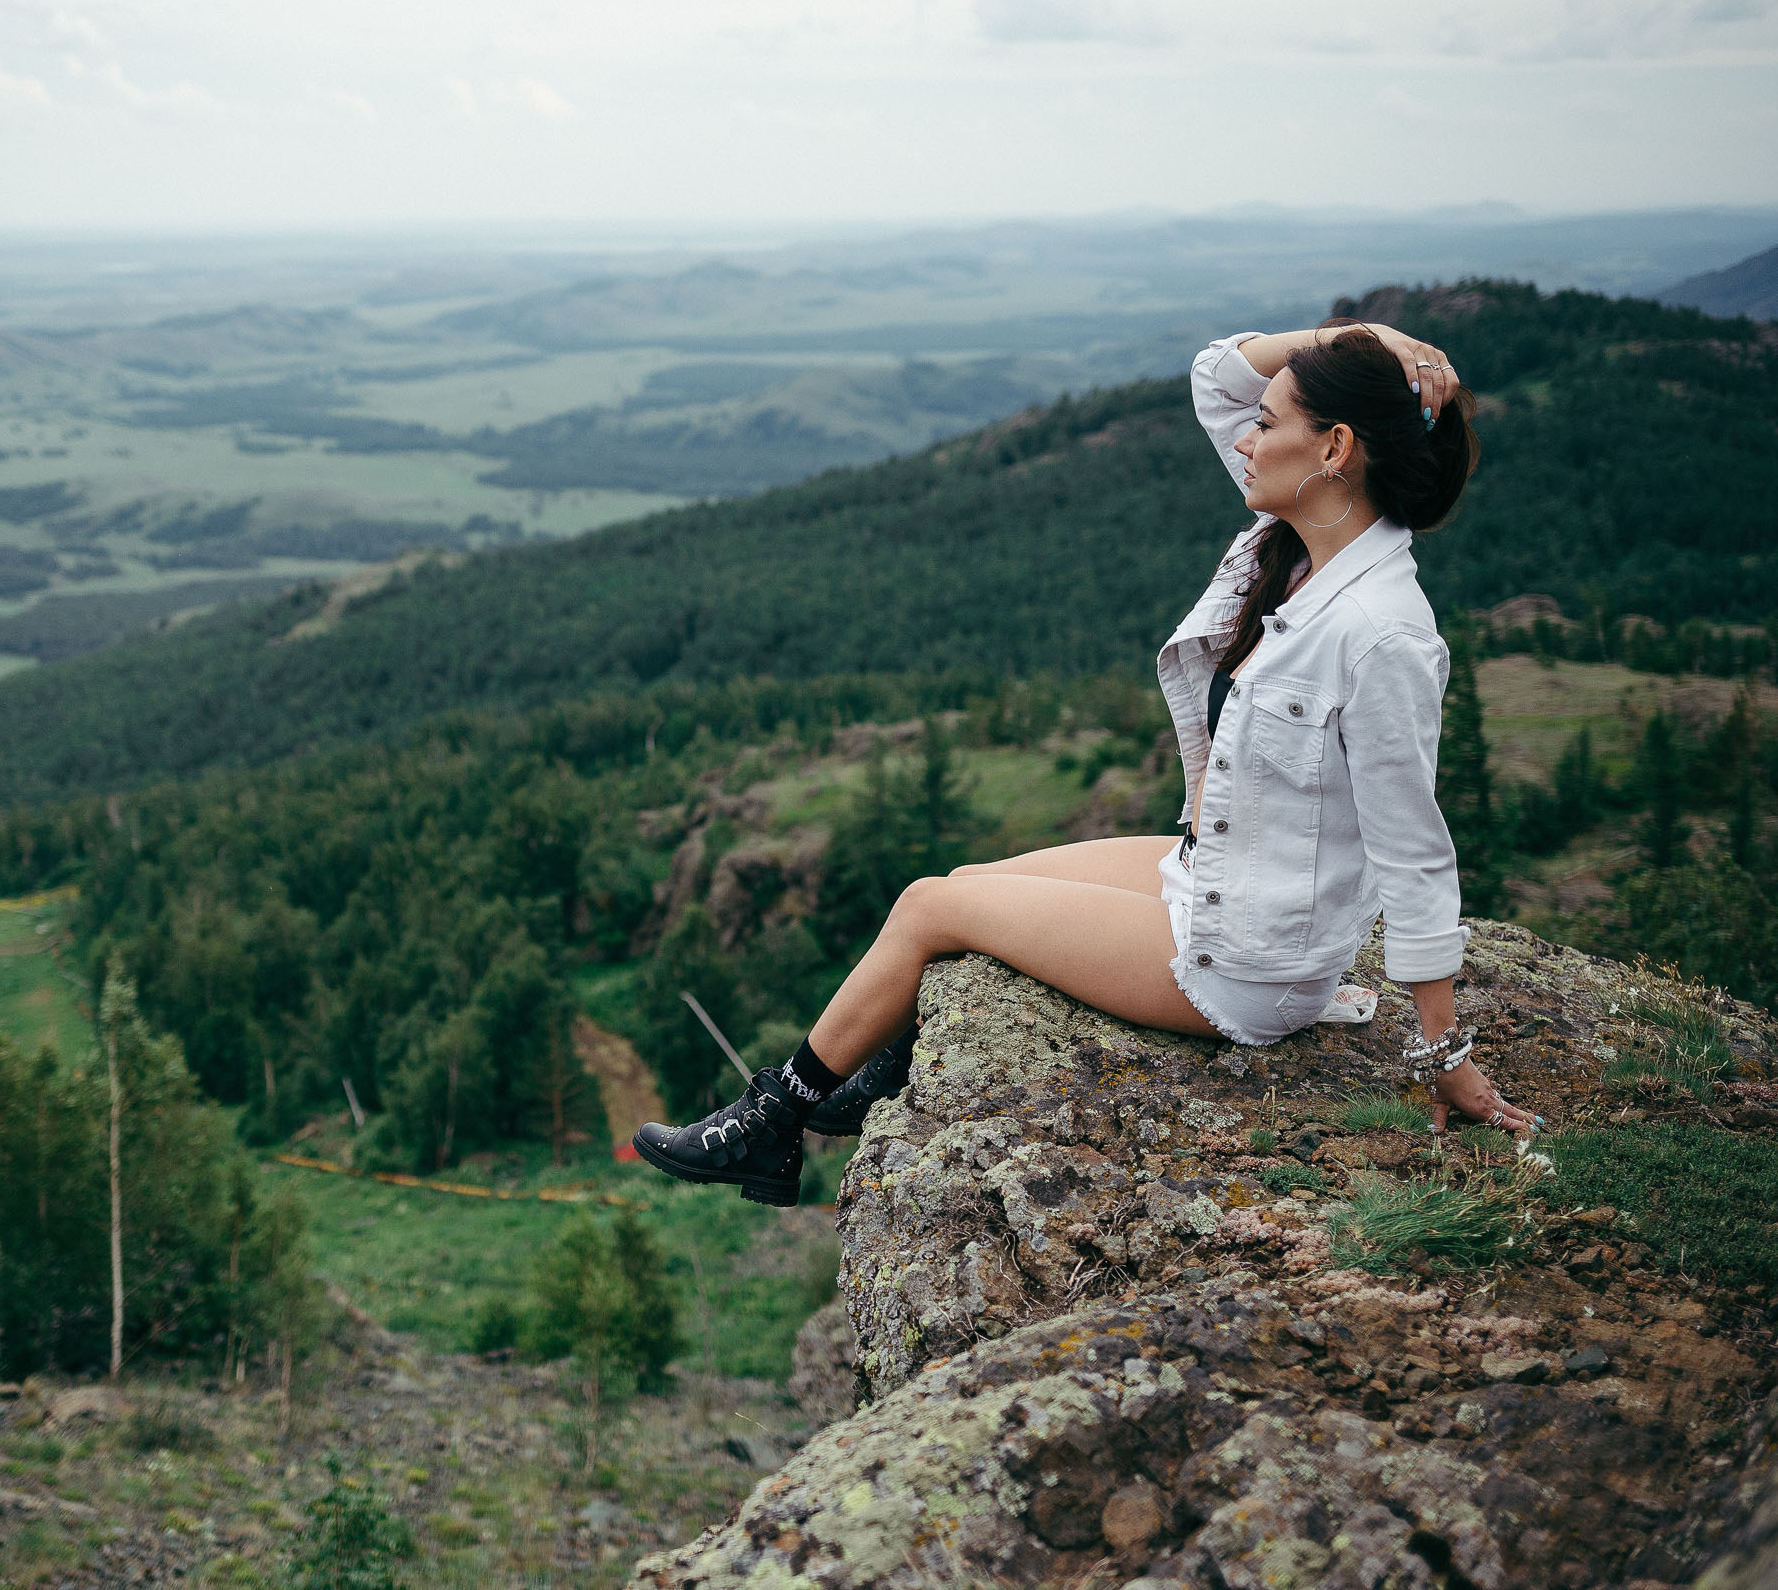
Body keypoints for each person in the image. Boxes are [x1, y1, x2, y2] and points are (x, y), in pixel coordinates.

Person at [633, 319, 1543, 1208]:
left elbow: (1416, 855)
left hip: (1241, 964)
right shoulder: (1301, 543)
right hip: (1213, 880)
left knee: (929, 906)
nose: (1247, 436)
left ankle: (769, 1124)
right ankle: (872, 1075)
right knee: (972, 882)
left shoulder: (1383, 632)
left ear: (1335, 447)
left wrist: (1445, 1056)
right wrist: (1361, 333)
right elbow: (1214, 372)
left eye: (1270, 425)